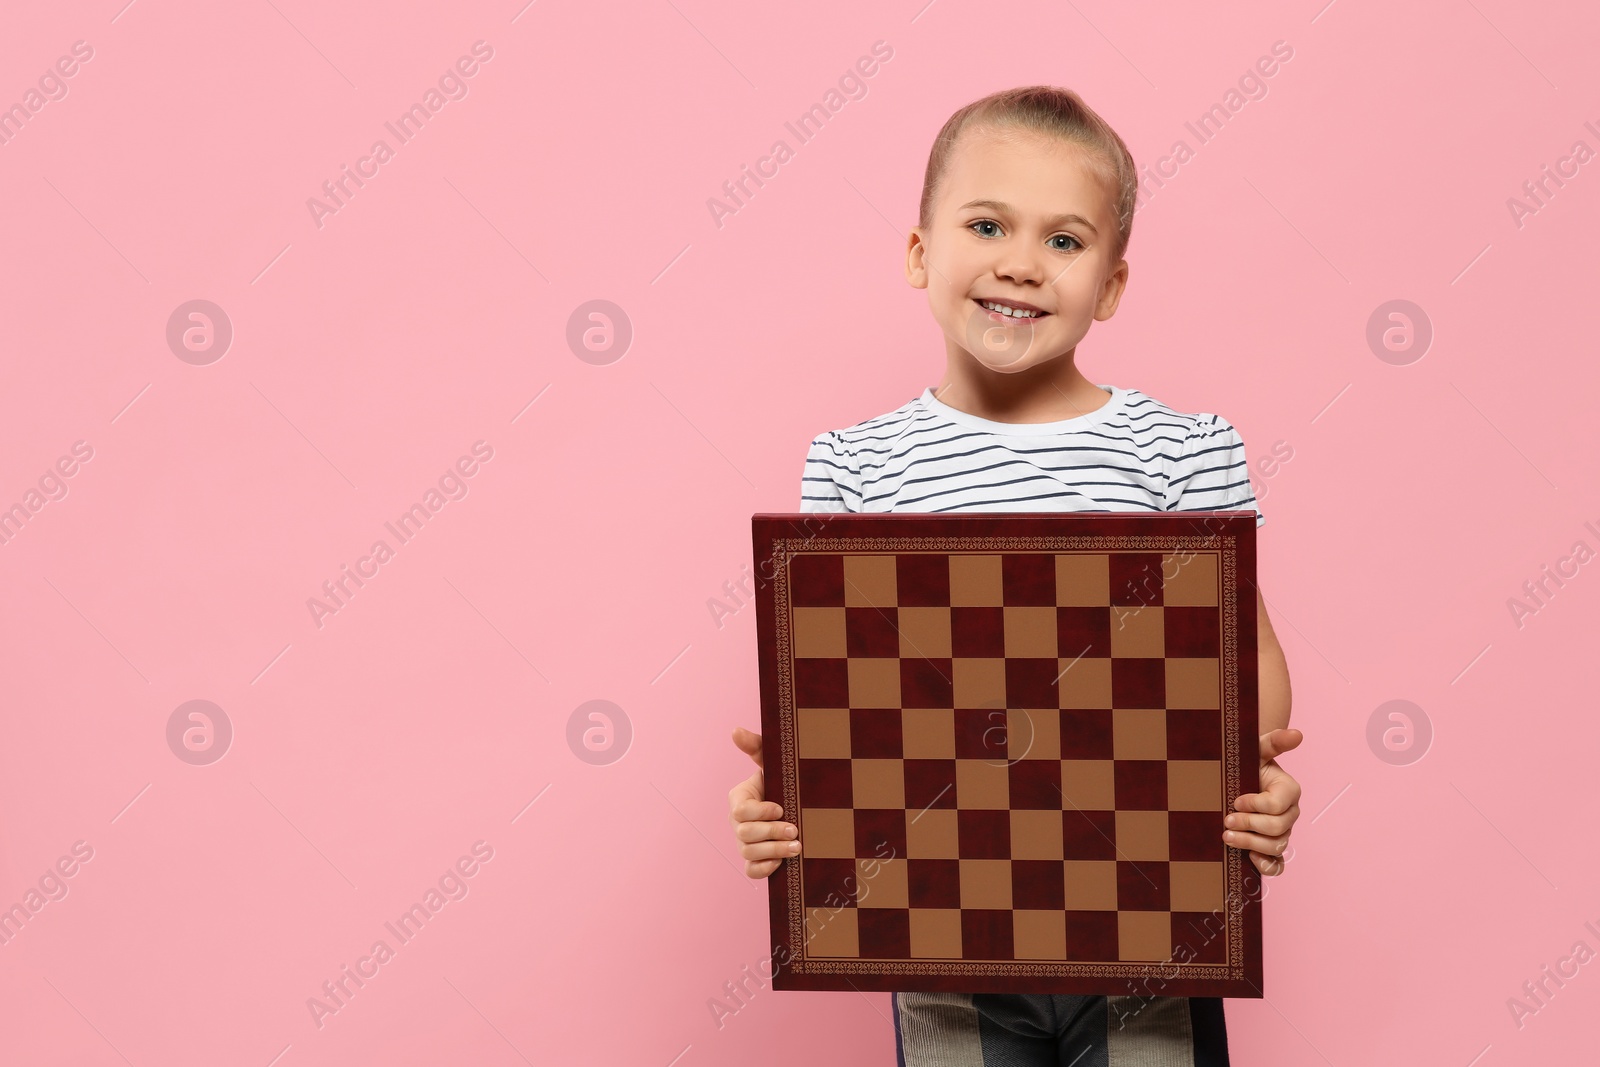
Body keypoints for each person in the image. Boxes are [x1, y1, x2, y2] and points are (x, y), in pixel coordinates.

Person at [727, 85, 1303, 1065]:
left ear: (1112, 285)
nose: (1020, 264)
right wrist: (779, 805)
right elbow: (836, 694)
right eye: (987, 223)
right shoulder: (856, 464)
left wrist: (1256, 776)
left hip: (1143, 916)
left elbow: (1243, 654)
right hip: (943, 925)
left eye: (1065, 241)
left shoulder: (1178, 450)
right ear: (919, 253)